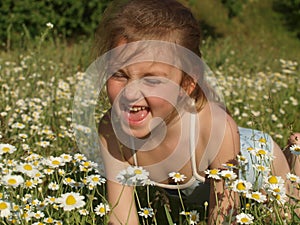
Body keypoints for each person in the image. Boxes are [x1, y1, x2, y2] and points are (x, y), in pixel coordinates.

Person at [90, 0, 297, 224]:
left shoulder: (214, 128)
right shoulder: (111, 131)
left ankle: (295, 155)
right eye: (119, 75)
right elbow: (121, 217)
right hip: (198, 192)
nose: (130, 94)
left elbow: (225, 215)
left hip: (258, 160)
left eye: (152, 79)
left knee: (289, 214)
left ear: (187, 82)